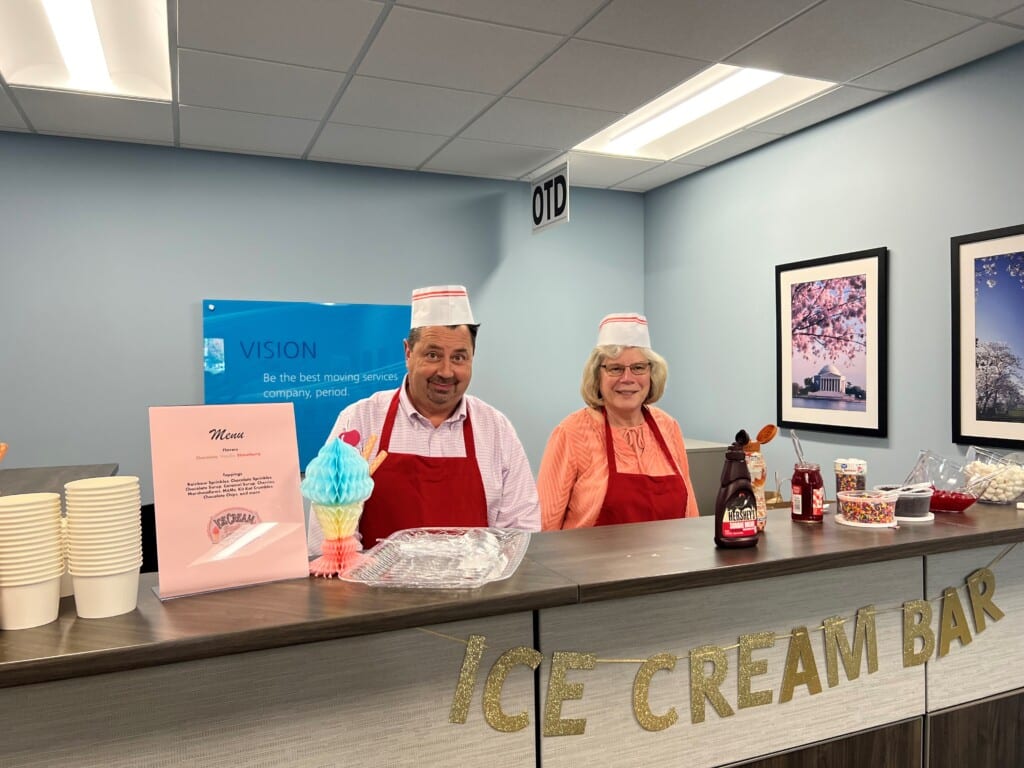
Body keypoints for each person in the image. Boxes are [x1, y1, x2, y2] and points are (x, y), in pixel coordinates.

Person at [308, 285, 540, 553]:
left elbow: (521, 528)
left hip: (476, 591)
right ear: (408, 353)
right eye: (433, 355)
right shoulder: (360, 419)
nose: (446, 371)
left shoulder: (495, 429)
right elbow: (329, 529)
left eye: (459, 357)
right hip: (377, 590)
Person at [537, 313, 699, 529]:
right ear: (597, 375)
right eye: (615, 368)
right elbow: (544, 527)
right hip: (591, 563)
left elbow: (690, 517)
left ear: (652, 373)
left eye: (639, 368)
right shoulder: (571, 433)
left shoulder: (668, 427)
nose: (627, 378)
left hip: (669, 562)